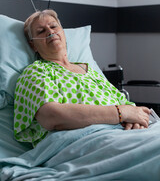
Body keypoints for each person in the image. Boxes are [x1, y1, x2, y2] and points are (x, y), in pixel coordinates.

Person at [14, 9, 150, 147]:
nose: (50, 32)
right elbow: (51, 116)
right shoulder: (35, 72)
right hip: (84, 141)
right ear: (33, 45)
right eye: (41, 31)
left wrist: (135, 119)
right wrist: (120, 113)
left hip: (125, 133)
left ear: (63, 33)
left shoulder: (90, 71)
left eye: (54, 26)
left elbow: (127, 106)